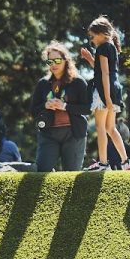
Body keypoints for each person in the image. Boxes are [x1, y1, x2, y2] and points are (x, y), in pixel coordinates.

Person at [79, 16, 130, 172]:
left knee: (101, 127)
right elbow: (104, 70)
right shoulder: (111, 47)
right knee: (110, 127)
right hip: (115, 90)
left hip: (104, 91)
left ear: (102, 33)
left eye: (93, 36)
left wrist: (106, 98)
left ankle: (103, 163)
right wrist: (90, 59)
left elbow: (104, 74)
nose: (92, 40)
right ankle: (126, 161)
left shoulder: (102, 48)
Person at [30, 42, 90, 173]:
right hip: (48, 134)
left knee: (71, 175)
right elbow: (33, 110)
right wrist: (45, 105)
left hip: (74, 134)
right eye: (49, 61)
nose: (53, 64)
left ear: (65, 60)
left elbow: (87, 108)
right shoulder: (43, 84)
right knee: (41, 171)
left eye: (57, 60)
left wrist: (65, 106)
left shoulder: (78, 82)